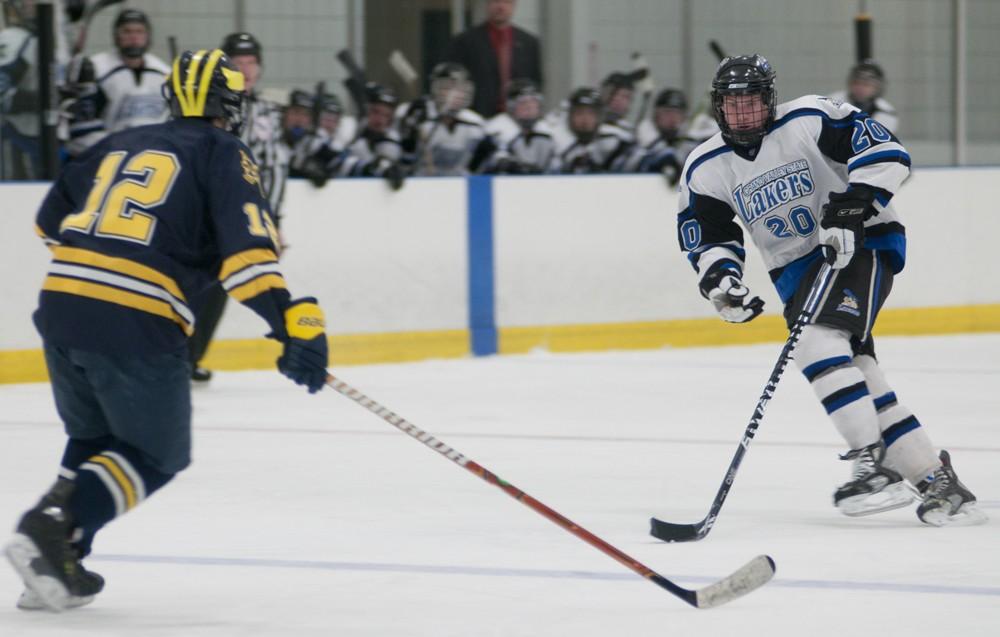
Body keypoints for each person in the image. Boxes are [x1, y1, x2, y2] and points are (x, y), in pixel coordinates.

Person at [3, 49, 330, 612]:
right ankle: (51, 527)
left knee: (97, 438)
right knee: (158, 452)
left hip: (62, 302)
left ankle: (60, 556)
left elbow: (48, 222)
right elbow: (249, 258)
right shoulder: (224, 150)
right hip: (133, 317)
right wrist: (291, 322)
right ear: (232, 104)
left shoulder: (119, 141)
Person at [677, 54, 985, 527]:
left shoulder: (810, 118)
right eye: (732, 105)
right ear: (718, 108)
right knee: (859, 373)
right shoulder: (705, 166)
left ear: (770, 99)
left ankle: (870, 461)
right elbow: (711, 235)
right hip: (797, 277)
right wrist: (723, 281)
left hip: (862, 244)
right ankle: (937, 482)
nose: (743, 114)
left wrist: (851, 208)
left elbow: (886, 152)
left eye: (752, 102)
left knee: (814, 343)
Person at [63, 8, 170, 156]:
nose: (134, 37)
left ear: (148, 36)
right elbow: (80, 132)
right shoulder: (95, 69)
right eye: (127, 31)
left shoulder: (164, 72)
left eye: (139, 31)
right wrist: (114, 150)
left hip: (151, 156)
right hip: (107, 156)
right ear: (116, 35)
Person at [444, 0, 542, 118]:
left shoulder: (529, 43)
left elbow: (535, 81)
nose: (500, 7)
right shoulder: (465, 42)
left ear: (514, 5)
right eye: (495, 1)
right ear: (487, 4)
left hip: (518, 119)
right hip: (478, 117)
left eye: (506, 2)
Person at [396, 62, 495, 176]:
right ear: (435, 89)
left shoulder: (476, 123)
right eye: (448, 88)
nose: (455, 95)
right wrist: (410, 136)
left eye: (460, 89)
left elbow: (480, 164)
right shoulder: (414, 113)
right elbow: (400, 160)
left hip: (458, 187)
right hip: (419, 186)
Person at [0, 0, 41, 179]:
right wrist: (42, 101)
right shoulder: (15, 37)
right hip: (19, 139)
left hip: (55, 142)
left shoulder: (58, 41)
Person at [550, 86, 631, 174]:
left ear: (599, 117)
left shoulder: (612, 144)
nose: (585, 119)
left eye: (591, 113)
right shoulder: (555, 147)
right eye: (579, 113)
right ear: (570, 116)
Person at [629, 88, 698, 185]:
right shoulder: (641, 142)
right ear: (656, 115)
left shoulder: (690, 143)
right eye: (667, 112)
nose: (672, 118)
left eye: (677, 113)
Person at [484, 78, 553, 174]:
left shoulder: (548, 130)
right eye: (523, 103)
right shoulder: (496, 129)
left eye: (534, 102)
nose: (529, 108)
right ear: (511, 106)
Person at [829, 59, 898, 133]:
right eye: (856, 83)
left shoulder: (887, 113)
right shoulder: (830, 103)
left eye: (866, 84)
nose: (860, 88)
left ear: (877, 87)